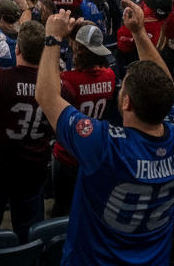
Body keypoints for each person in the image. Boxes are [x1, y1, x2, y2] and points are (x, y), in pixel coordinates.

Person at [36, 1, 174, 266]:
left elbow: (46, 96)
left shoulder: (105, 145)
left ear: (126, 103)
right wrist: (140, 33)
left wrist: (52, 38)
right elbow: (167, 86)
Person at [0, 20, 52, 242]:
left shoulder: (1, 79)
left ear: (17, 49)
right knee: (30, 235)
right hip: (33, 169)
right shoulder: (56, 85)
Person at [49, 22, 116, 217]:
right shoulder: (110, 75)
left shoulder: (68, 80)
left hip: (67, 153)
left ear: (77, 48)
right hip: (94, 149)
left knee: (62, 206)